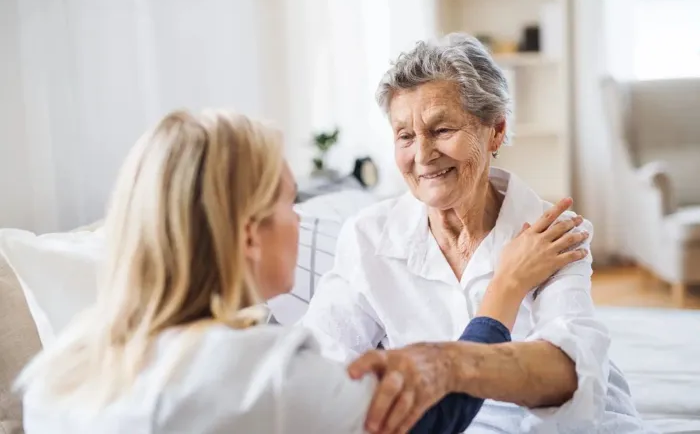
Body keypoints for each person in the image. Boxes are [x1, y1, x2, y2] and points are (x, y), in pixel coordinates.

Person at [15, 110, 588, 434]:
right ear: (246, 234)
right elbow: (432, 420)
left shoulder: (56, 372)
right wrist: (506, 289)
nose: (300, 219)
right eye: (290, 203)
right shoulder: (266, 375)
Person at [302, 33, 653, 433]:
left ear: (496, 131)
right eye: (405, 136)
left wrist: (448, 364)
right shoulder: (368, 238)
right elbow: (319, 365)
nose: (422, 155)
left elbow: (569, 375)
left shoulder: (551, 234)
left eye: (441, 129)